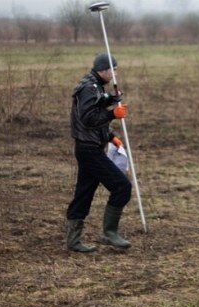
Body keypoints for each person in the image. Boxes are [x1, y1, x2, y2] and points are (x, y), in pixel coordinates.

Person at [64, 53, 132, 253]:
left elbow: (94, 110)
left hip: (90, 146)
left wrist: (110, 136)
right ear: (103, 69)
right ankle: (109, 233)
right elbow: (87, 118)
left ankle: (73, 240)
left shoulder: (95, 86)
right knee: (121, 187)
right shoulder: (88, 87)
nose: (115, 73)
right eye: (113, 69)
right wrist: (113, 114)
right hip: (89, 150)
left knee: (84, 193)